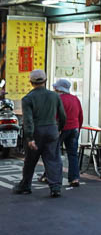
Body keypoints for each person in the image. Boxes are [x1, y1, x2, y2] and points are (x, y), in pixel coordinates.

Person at [14, 70, 66, 198]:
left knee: (30, 160)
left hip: (36, 132)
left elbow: (28, 120)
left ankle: (25, 185)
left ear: (31, 82)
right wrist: (59, 128)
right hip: (52, 130)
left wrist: (30, 137)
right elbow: (63, 116)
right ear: (45, 81)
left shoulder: (27, 98)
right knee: (53, 159)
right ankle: (55, 187)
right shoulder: (55, 96)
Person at [53, 79, 84, 188]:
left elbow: (55, 116)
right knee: (73, 154)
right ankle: (74, 178)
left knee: (53, 153)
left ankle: (50, 176)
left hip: (62, 129)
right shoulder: (75, 99)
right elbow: (80, 116)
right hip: (74, 128)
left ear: (59, 89)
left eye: (55, 88)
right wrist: (78, 129)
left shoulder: (58, 99)